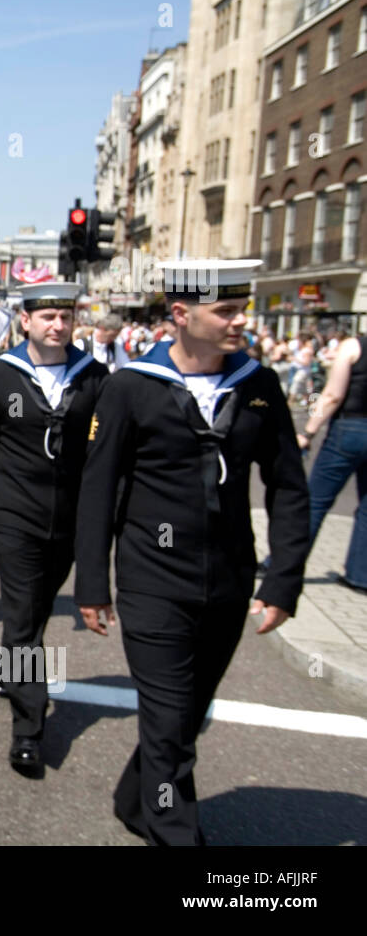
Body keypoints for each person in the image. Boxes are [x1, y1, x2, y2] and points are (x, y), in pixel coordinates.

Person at [75, 259, 309, 846]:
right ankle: (176, 833)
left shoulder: (259, 385)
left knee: (181, 718)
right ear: (181, 314)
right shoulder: (131, 386)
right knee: (170, 718)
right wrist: (92, 587)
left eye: (240, 310)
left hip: (228, 582)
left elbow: (288, 487)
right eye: (225, 310)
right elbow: (98, 488)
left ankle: (137, 799)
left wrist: (283, 582)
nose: (239, 322)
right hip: (154, 581)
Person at [0, 282, 108, 776]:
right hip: (13, 516)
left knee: (38, 609)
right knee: (24, 615)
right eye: (47, 316)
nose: (57, 325)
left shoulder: (93, 377)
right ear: (26, 321)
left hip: (66, 519)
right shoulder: (1, 375)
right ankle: (29, 728)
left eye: (64, 316)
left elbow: (102, 457)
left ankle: (10, 667)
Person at [297, 331, 367, 593]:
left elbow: (332, 395)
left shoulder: (354, 346)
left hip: (350, 427)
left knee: (315, 501)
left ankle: (286, 563)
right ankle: (360, 575)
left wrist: (308, 431)